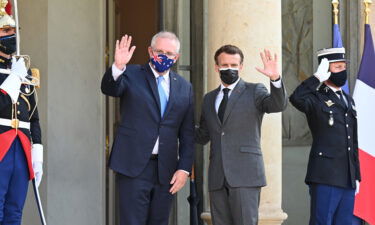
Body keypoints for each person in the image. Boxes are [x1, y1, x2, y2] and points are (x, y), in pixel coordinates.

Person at [101, 31, 194, 225]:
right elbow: (110, 89)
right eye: (159, 51)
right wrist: (118, 66)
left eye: (169, 53)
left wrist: (184, 168)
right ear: (150, 52)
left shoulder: (185, 87)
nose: (164, 56)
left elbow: (187, 133)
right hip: (133, 166)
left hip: (166, 170)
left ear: (176, 57)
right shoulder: (131, 74)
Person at [195, 45, 287, 225]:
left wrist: (275, 78)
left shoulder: (254, 91)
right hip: (217, 176)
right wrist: (176, 124)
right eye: (224, 65)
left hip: (246, 174)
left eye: (234, 65)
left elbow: (277, 105)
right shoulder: (209, 98)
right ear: (216, 67)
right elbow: (203, 135)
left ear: (241, 66)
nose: (229, 69)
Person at [289, 47, 361, 225]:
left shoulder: (347, 99)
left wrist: (356, 174)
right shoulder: (315, 97)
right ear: (326, 69)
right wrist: (316, 79)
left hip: (347, 176)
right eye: (337, 67)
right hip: (325, 175)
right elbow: (295, 99)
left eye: (343, 66)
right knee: (322, 222)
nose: (342, 71)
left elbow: (352, 138)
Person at [0, 1, 43, 224]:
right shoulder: (16, 73)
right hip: (1, 146)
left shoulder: (22, 67)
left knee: (15, 211)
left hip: (21, 147)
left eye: (14, 31)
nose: (12, 35)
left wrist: (38, 150)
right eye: (6, 31)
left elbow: (33, 114)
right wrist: (14, 79)